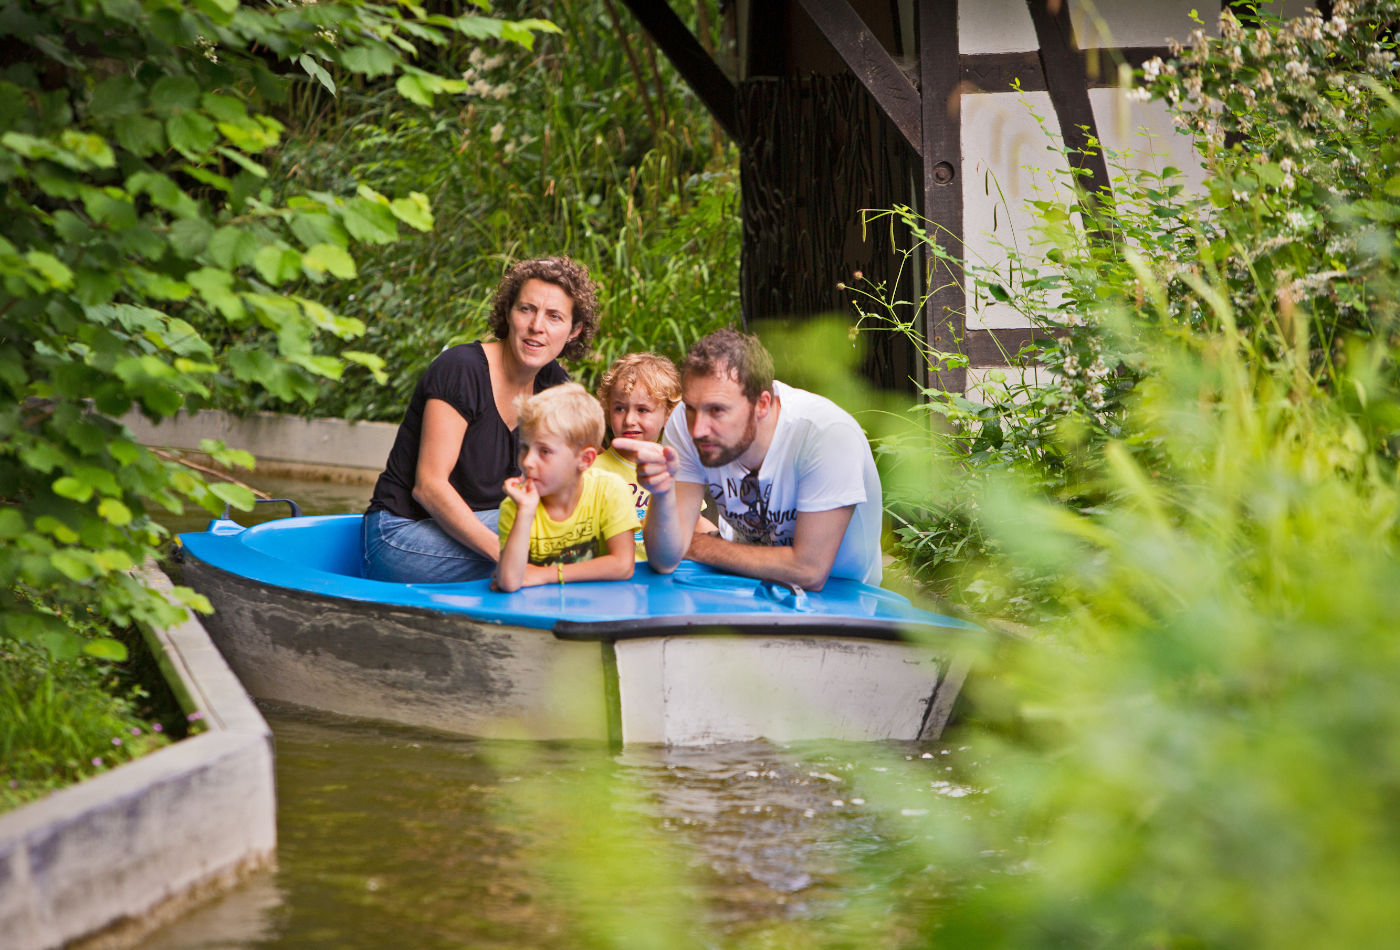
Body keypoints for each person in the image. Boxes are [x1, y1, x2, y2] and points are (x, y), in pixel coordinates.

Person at [362, 257, 599, 583]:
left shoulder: (555, 387)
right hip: (402, 536)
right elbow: (429, 487)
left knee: (583, 529)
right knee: (548, 544)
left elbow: (581, 480)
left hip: (486, 525)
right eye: (527, 309)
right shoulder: (461, 369)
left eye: (554, 316)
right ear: (507, 312)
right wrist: (509, 557)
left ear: (574, 331)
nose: (537, 326)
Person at [613, 328, 883, 590]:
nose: (698, 430)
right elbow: (665, 559)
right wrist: (661, 493)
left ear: (762, 404)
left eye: (717, 411)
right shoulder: (686, 423)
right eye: (693, 408)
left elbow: (808, 571)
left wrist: (696, 545)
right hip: (739, 583)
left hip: (843, 597)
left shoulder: (826, 434)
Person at [494, 383, 638, 591]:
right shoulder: (516, 505)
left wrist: (546, 574)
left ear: (585, 459)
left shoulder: (609, 489)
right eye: (525, 448)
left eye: (544, 451)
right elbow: (509, 581)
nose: (527, 462)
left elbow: (623, 565)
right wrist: (525, 512)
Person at [591, 352, 704, 562]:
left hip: (663, 577)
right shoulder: (592, 470)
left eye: (642, 410)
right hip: (609, 580)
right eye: (619, 408)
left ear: (668, 414)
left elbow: (695, 524)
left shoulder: (675, 466)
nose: (629, 419)